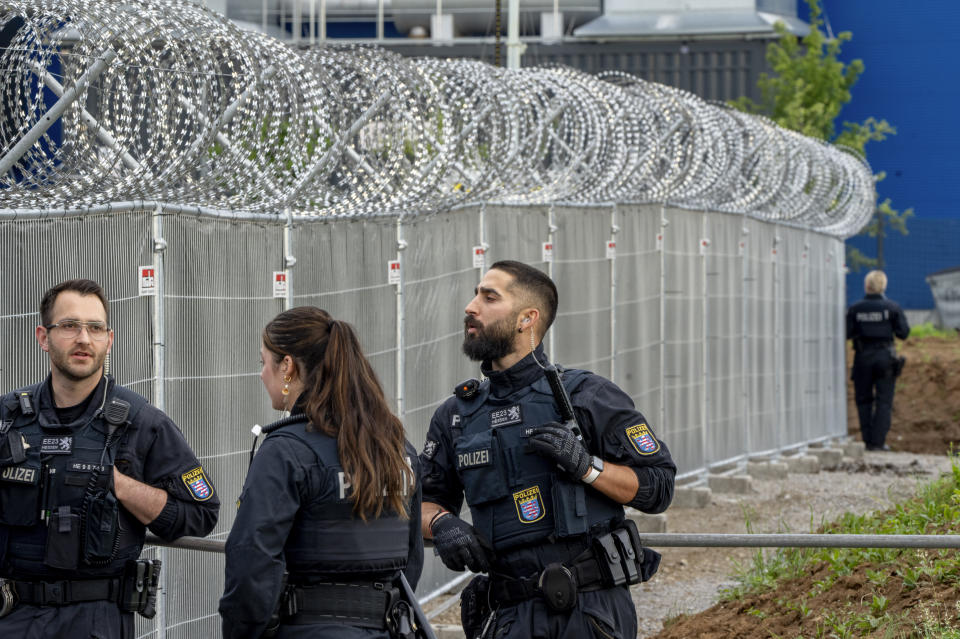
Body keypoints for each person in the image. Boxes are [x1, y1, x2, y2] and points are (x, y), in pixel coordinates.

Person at [419, 260, 676, 639]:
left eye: (489, 297)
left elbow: (658, 487)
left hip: (590, 613)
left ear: (527, 319)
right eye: (475, 295)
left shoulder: (586, 396)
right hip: (506, 614)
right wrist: (442, 524)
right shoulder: (456, 414)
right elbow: (422, 504)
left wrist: (587, 468)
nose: (471, 307)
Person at [0, 278, 220, 638]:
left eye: (95, 328)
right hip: (13, 617)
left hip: (95, 621)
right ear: (43, 337)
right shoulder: (9, 417)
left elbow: (202, 513)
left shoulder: (141, 423)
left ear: (109, 339)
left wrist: (118, 484)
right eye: (69, 326)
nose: (83, 339)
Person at [219, 307, 424, 639]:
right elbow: (410, 559)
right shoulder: (396, 447)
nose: (261, 375)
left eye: (264, 363)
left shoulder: (285, 450)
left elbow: (251, 563)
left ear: (287, 366)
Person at [847, 270, 910, 451]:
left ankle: (867, 441)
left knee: (863, 399)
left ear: (866, 285)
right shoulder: (892, 307)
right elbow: (903, 333)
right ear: (883, 286)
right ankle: (878, 442)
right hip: (885, 358)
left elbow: (848, 333)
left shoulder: (855, 309)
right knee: (884, 401)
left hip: (862, 357)